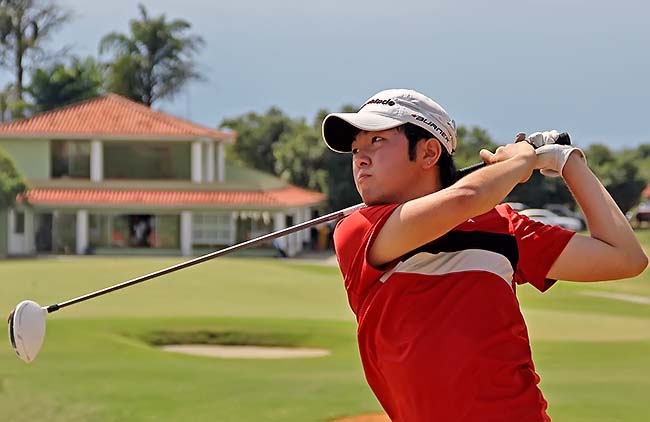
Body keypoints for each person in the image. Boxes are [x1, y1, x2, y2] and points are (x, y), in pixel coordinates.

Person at [321, 89, 648, 422]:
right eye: (356, 150)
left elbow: (624, 257)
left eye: (376, 142)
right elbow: (468, 196)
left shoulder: (503, 226)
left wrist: (566, 161)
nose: (360, 159)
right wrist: (523, 160)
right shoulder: (358, 229)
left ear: (428, 151)